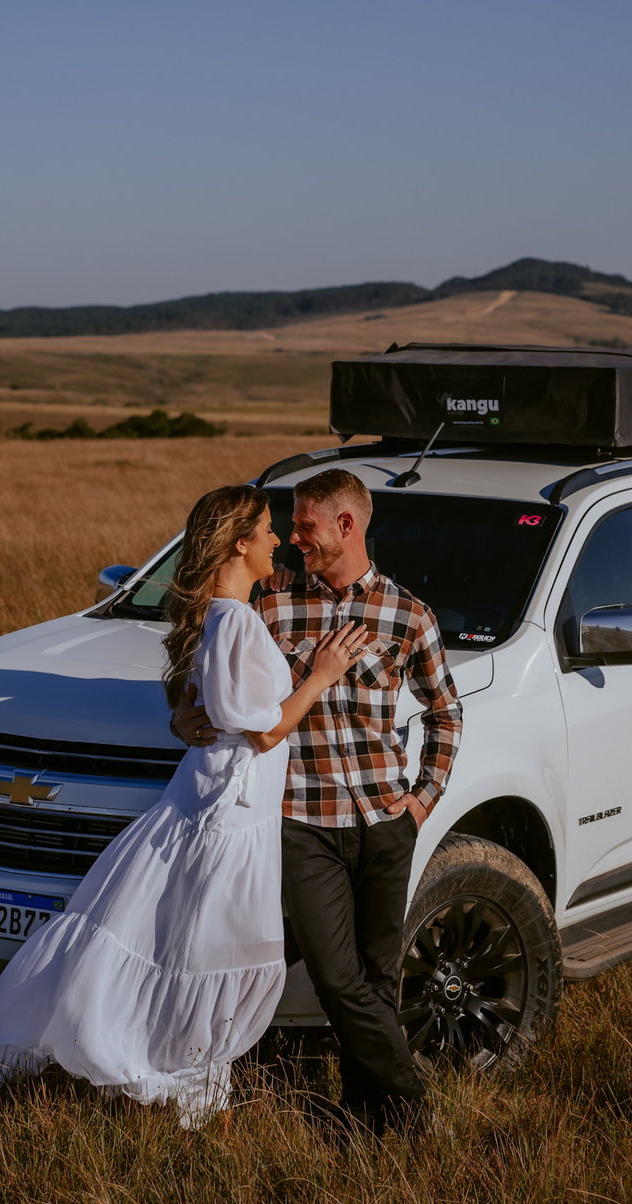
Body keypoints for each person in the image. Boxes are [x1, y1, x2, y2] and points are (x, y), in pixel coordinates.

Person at [0, 484, 366, 1127]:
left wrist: (186, 718)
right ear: (240, 543)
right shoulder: (236, 620)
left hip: (221, 803)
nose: (279, 540)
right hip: (227, 813)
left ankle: (188, 1079)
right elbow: (265, 729)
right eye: (270, 529)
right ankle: (164, 1069)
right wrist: (322, 675)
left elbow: (210, 707)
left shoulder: (223, 619)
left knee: (186, 947)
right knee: (199, 949)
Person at [173, 468, 463, 1135]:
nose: (293, 535)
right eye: (290, 524)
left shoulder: (407, 614)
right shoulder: (268, 603)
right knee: (338, 979)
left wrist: (420, 803)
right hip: (303, 823)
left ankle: (367, 1116)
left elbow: (445, 713)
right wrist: (180, 719)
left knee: (376, 979)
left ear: (346, 525)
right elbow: (202, 676)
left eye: (304, 524)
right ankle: (418, 1113)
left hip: (387, 821)